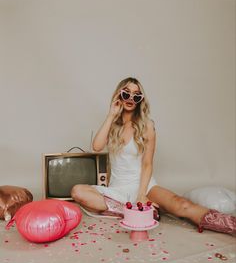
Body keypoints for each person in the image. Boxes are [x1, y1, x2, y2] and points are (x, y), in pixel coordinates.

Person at [71, 77, 236, 235]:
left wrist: (141, 195)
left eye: (136, 95)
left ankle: (232, 226)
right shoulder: (113, 125)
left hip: (145, 185)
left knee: (182, 204)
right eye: (126, 93)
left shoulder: (147, 126)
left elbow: (147, 164)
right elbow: (97, 146)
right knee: (77, 191)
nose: (130, 98)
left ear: (140, 100)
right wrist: (111, 115)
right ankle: (138, 212)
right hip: (118, 191)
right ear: (119, 95)